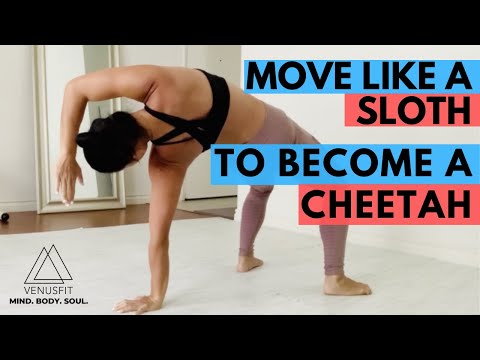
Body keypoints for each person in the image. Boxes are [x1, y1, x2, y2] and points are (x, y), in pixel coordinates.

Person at [56, 65, 372, 315]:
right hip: (271, 130)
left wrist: (155, 296)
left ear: (135, 155)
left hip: (247, 152)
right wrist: (66, 151)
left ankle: (245, 258)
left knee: (261, 189)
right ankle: (334, 277)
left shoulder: (167, 162)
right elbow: (77, 88)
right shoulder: (154, 83)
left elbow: (158, 239)